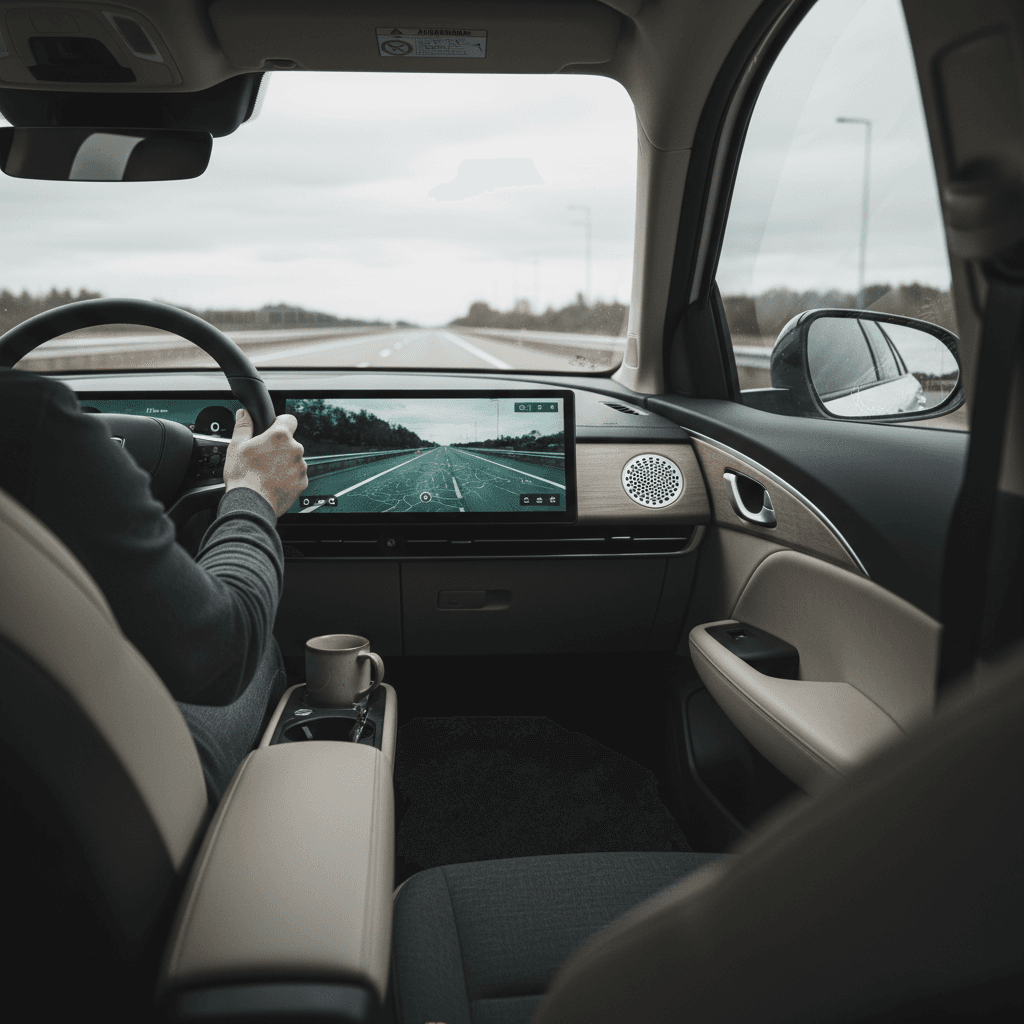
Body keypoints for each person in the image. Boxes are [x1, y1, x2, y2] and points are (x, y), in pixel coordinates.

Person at [0, 366, 308, 801]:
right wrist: (253, 491)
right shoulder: (31, 418)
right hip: (91, 796)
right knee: (258, 651)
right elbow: (222, 651)